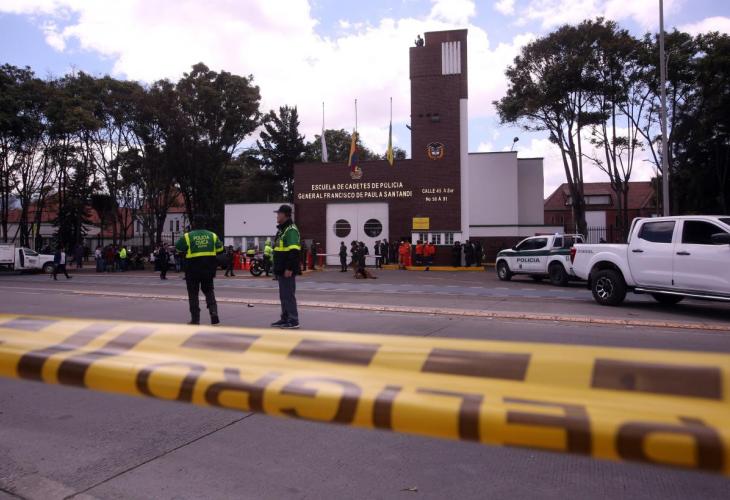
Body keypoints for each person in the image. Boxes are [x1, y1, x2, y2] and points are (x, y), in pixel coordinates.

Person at [175, 220, 224, 325]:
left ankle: (195, 319)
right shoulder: (212, 235)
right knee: (209, 291)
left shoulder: (188, 236)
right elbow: (220, 248)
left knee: (193, 294)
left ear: (194, 225)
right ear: (204, 224)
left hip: (192, 270)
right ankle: (213, 312)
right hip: (208, 269)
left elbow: (178, 248)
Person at [271, 205, 301, 329]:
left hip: (286, 269)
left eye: (279, 213)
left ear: (285, 215)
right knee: (284, 295)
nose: (277, 216)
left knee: (288, 295)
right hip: (281, 268)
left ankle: (293, 320)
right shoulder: (282, 230)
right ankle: (285, 318)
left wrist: (289, 268)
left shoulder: (291, 230)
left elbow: (294, 251)